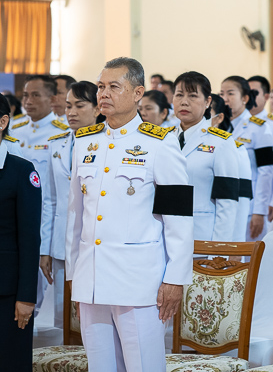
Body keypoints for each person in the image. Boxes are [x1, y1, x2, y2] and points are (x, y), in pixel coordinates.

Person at [66, 57, 193, 372]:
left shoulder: (160, 143)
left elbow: (178, 219)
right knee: (101, 366)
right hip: (92, 279)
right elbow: (75, 216)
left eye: (113, 87)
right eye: (100, 87)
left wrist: (174, 280)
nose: (104, 94)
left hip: (139, 283)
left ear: (138, 93)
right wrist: (74, 277)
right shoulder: (85, 143)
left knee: (143, 366)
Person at [40, 81, 102, 330]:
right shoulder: (57, 144)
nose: (71, 112)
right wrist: (45, 247)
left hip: (92, 239)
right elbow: (50, 200)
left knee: (93, 315)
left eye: (79, 105)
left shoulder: (106, 144)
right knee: (63, 318)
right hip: (60, 244)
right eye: (68, 106)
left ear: (97, 108)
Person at [8, 75, 69, 313]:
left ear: (52, 98)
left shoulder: (61, 134)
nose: (28, 101)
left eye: (35, 95)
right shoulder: (14, 129)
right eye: (25, 95)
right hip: (14, 216)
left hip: (45, 217)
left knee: (35, 289)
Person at [0, 93, 42, 371]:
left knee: (9, 362)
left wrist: (26, 296)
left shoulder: (21, 171)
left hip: (6, 291)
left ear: (2, 121)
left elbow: (29, 238)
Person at [174, 72, 240, 242]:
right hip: (164, 238)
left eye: (193, 96)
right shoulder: (164, 139)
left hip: (202, 239)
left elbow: (227, 203)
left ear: (207, 102)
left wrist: (218, 252)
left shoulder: (221, 143)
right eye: (179, 95)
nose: (184, 102)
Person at [220, 76, 273, 240]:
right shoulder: (218, 126)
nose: (225, 98)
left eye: (230, 93)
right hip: (224, 205)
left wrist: (259, 211)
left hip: (250, 206)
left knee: (249, 259)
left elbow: (266, 172)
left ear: (244, 98)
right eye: (222, 93)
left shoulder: (259, 128)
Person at [208, 95, 253, 242]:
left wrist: (236, 244)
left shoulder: (236, 150)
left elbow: (240, 201)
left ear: (219, 118)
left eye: (206, 112)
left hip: (220, 237)